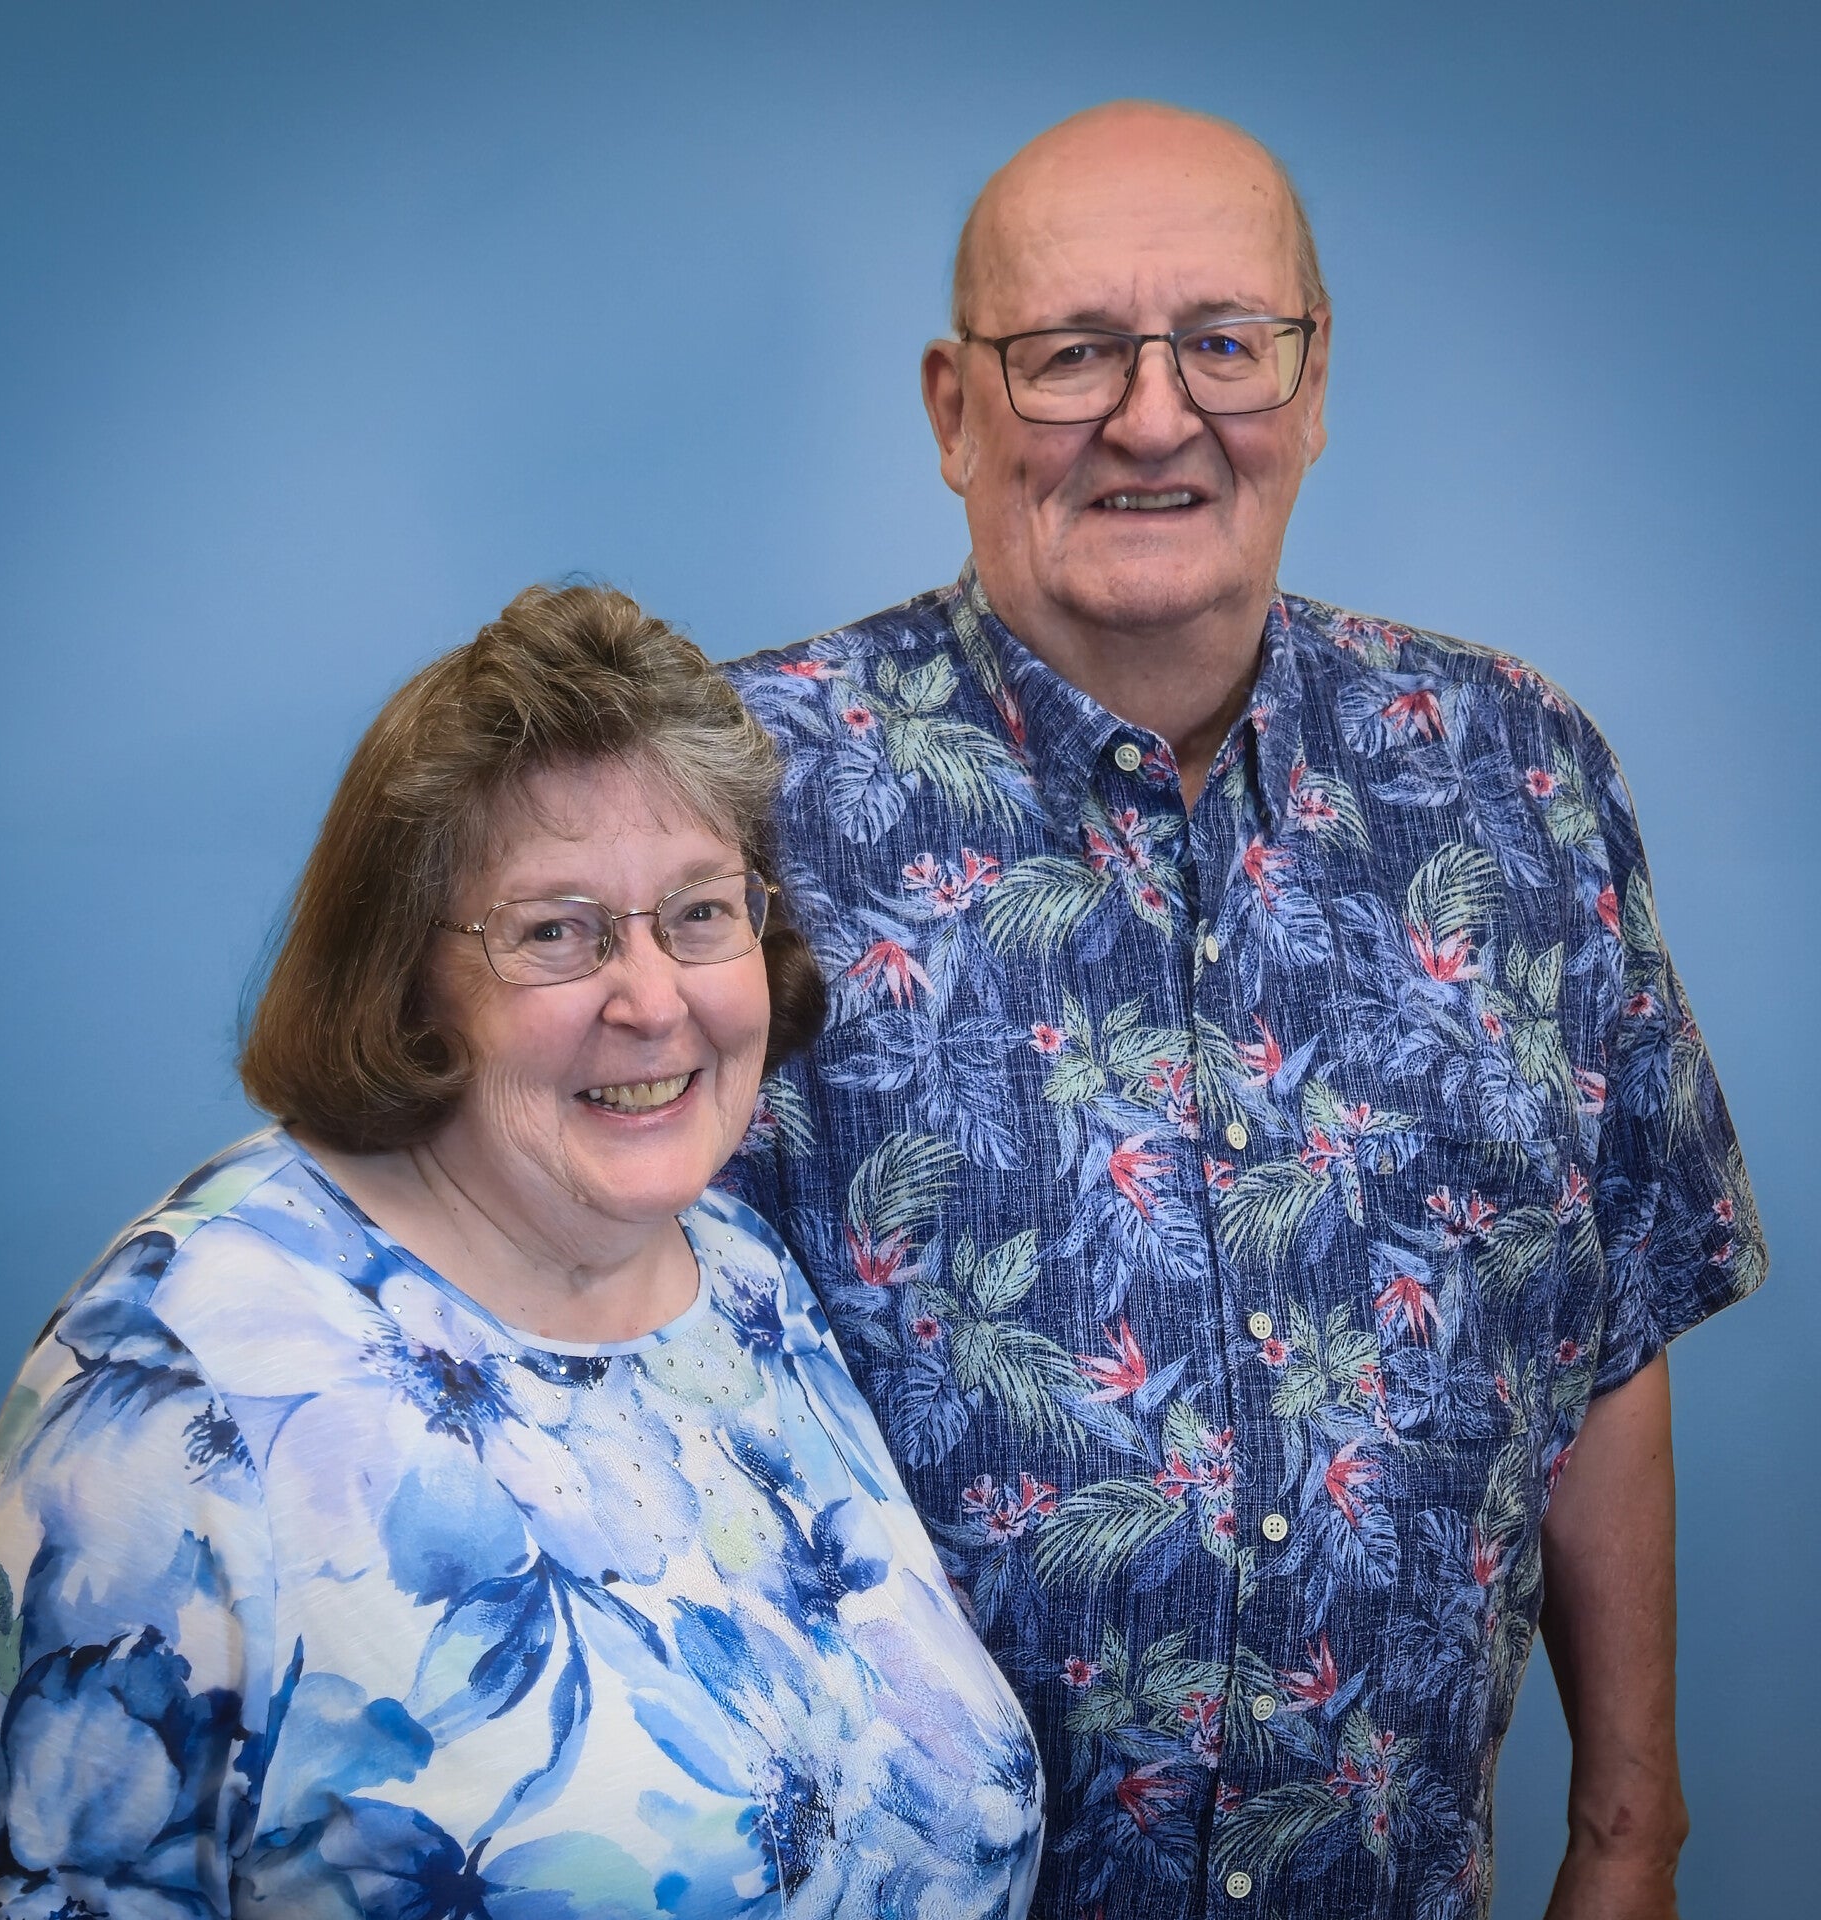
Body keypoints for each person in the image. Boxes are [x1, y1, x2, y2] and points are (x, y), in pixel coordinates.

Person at [723, 103, 1765, 1920]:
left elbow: (1606, 1325)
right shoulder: (733, 806)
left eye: (1223, 342)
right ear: (954, 412)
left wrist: (1629, 1831)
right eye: (1070, 355)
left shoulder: (1517, 772)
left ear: (1314, 379)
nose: (1154, 418)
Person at [0, 585, 1044, 1915]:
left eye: (699, 913)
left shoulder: (739, 1276)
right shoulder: (186, 1368)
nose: (652, 998)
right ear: (406, 978)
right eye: (554, 931)